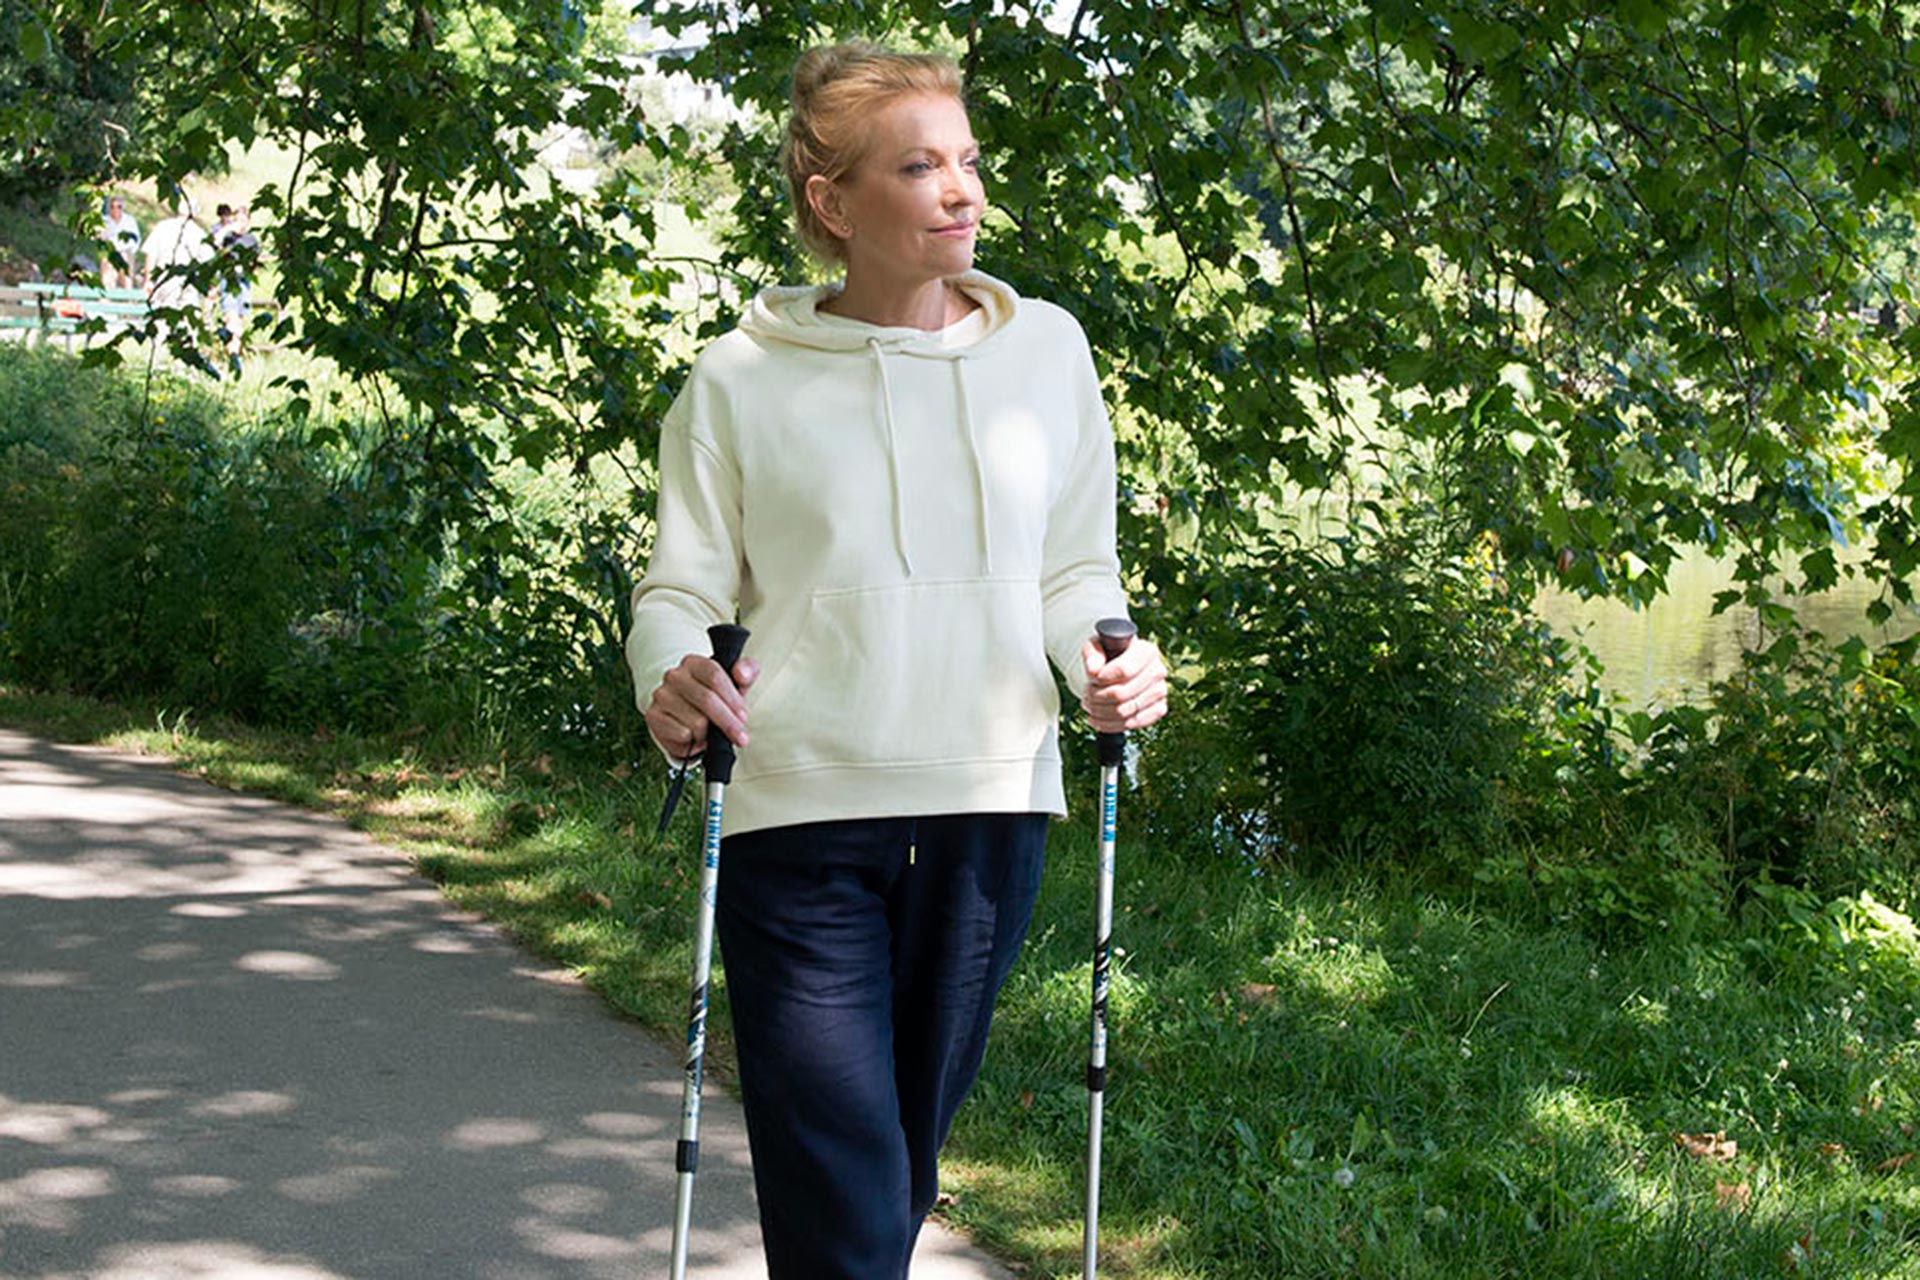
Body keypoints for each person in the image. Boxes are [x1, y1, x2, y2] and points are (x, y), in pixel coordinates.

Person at [625, 41, 1169, 1279]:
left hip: (989, 810)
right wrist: (673, 676)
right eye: (920, 166)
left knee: (896, 1172)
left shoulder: (1050, 355)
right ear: (834, 201)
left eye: (967, 160)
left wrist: (1112, 661)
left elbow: (1078, 572)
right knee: (846, 1171)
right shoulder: (739, 380)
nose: (962, 189)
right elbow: (681, 590)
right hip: (798, 815)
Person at [211, 204, 259, 377]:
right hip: (229, 280)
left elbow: (255, 262)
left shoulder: (251, 239)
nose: (240, 223)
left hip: (244, 282)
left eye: (243, 220)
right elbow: (215, 243)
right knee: (230, 318)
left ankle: (234, 357)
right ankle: (232, 356)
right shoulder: (227, 236)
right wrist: (228, 228)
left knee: (239, 321)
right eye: (237, 219)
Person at [96, 195, 141, 290]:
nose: (115, 209)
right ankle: (106, 301)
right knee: (107, 283)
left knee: (127, 282)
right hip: (110, 254)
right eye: (112, 206)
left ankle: (128, 302)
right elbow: (99, 238)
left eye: (118, 206)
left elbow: (136, 239)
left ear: (122, 208)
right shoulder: (104, 221)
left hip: (125, 253)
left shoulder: (130, 221)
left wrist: (131, 254)